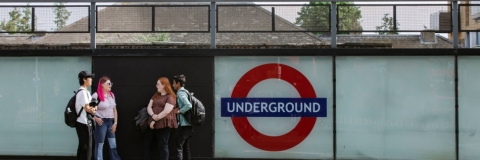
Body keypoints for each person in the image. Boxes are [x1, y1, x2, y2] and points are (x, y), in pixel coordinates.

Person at [143, 77, 178, 160]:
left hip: (164, 124)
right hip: (152, 123)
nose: (156, 86)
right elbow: (149, 107)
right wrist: (153, 115)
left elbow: (166, 111)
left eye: (158, 84)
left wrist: (155, 119)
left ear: (164, 85)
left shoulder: (170, 97)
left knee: (163, 145)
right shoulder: (156, 95)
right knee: (146, 143)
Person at [92, 76, 121, 160]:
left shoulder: (111, 95)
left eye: (111, 83)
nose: (110, 85)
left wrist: (115, 123)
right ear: (102, 85)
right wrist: (95, 118)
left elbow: (115, 110)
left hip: (110, 122)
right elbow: (89, 110)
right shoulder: (96, 95)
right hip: (101, 122)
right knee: (100, 144)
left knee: (113, 144)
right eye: (108, 83)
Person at [76, 70, 98, 160]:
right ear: (84, 79)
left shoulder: (86, 92)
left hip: (85, 122)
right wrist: (93, 109)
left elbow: (92, 107)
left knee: (83, 147)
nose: (91, 80)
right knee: (86, 148)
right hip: (83, 123)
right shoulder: (83, 93)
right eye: (89, 78)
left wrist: (93, 108)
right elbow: (88, 108)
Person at [172, 75, 193, 160]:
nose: (172, 85)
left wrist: (179, 111)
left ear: (178, 83)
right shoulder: (186, 92)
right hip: (189, 124)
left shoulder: (180, 93)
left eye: (174, 83)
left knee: (178, 148)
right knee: (186, 148)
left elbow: (189, 105)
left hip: (184, 124)